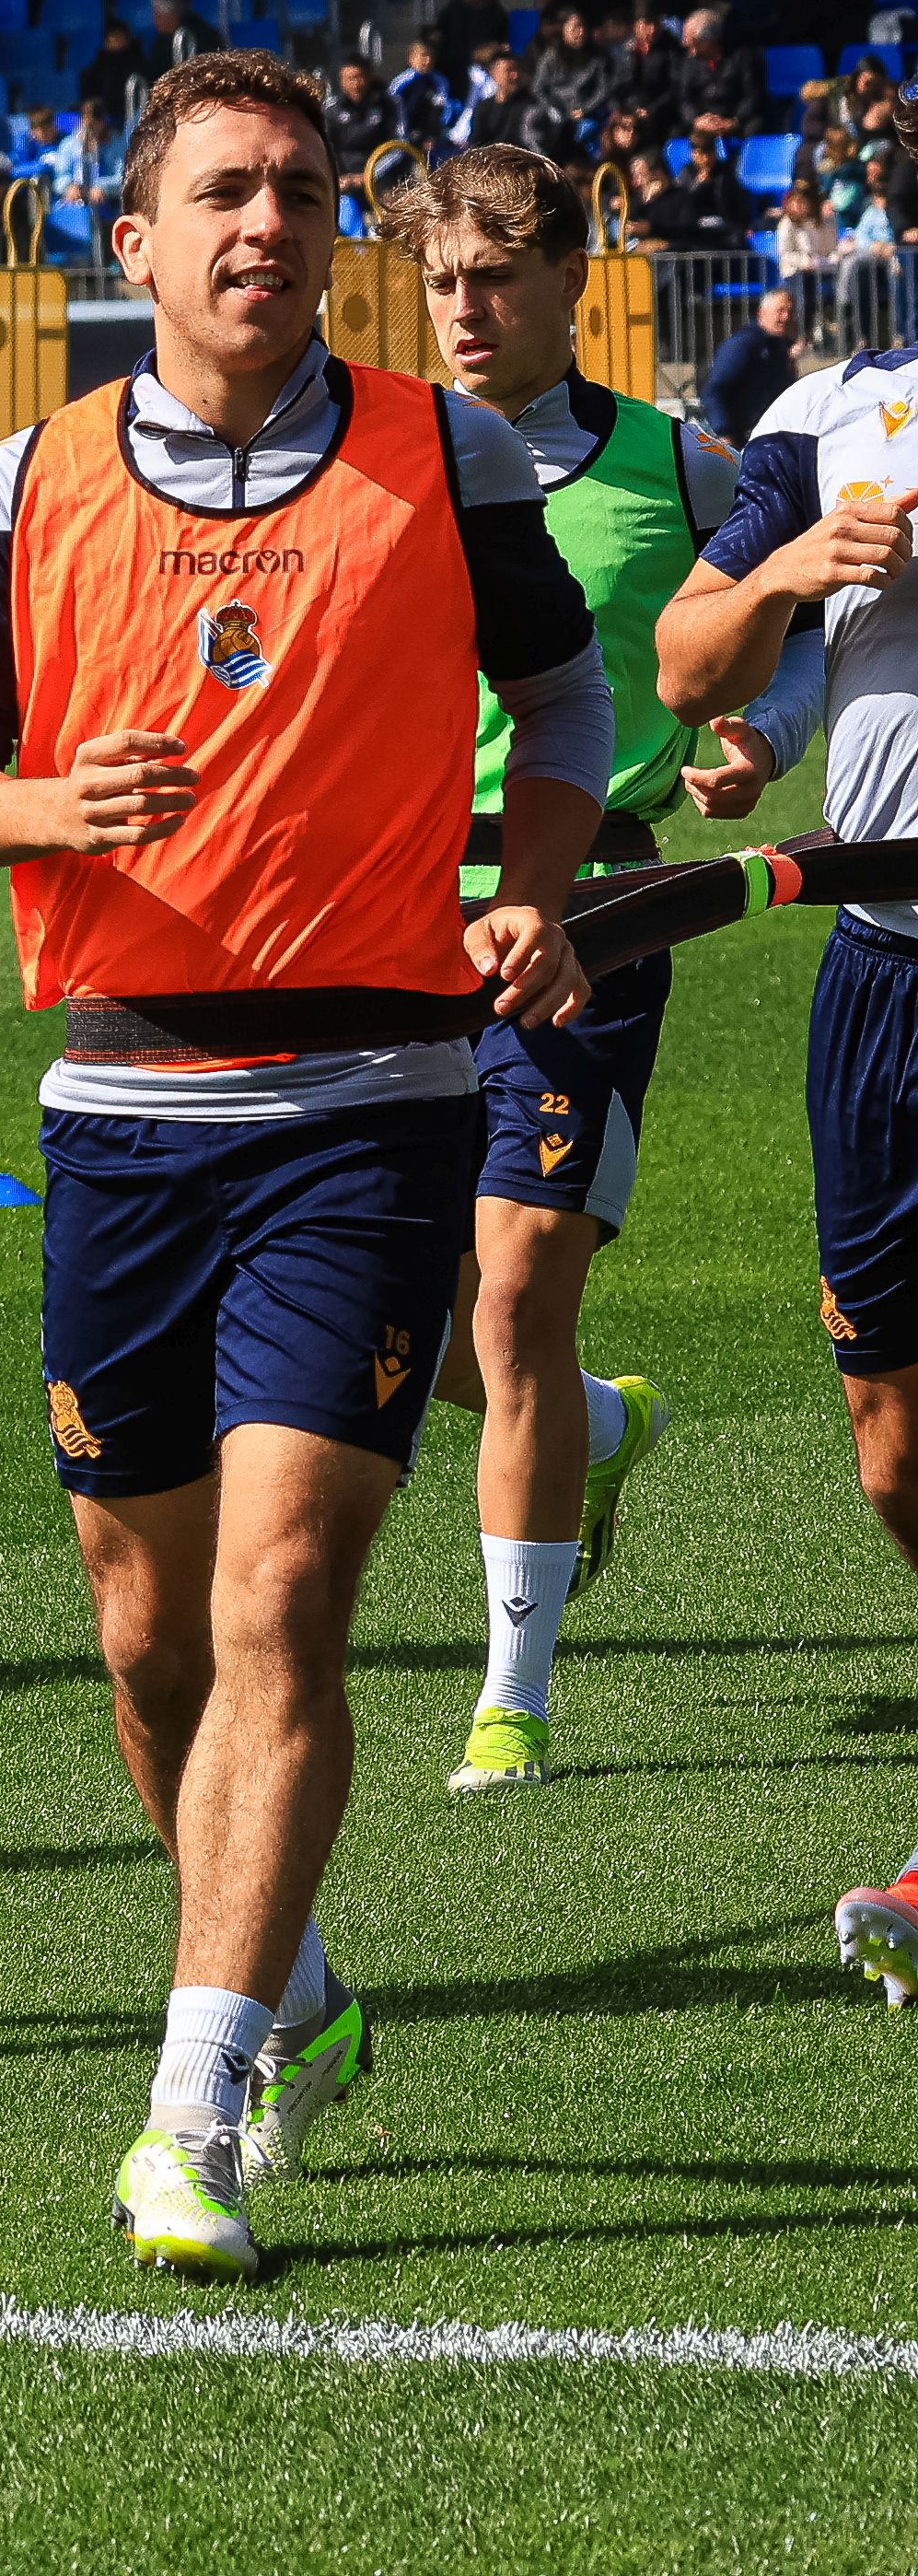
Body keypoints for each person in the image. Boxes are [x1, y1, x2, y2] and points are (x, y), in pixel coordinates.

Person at [0, 53, 609, 2283]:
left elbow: (565, 701)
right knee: (142, 1627)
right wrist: (34, 810)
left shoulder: (442, 449)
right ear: (137, 240)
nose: (267, 228)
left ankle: (189, 2104)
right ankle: (291, 1982)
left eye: (299, 194)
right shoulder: (30, 474)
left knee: (283, 1596)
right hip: (119, 1118)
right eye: (223, 193)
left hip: (376, 1109)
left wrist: (540, 882)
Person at [384, 146, 820, 1793]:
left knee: (512, 1296)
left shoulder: (685, 466)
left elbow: (796, 636)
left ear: (576, 278)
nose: (465, 312)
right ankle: (603, 1423)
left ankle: (515, 1692)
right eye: (439, 282)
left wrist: (758, 741)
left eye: (495, 277)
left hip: (595, 915)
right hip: (394, 917)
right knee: (411, 1327)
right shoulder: (377, 462)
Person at [656, 286, 918, 2002]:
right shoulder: (838, 411)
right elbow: (692, 662)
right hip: (883, 972)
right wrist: (781, 613)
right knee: (896, 1454)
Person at [705, 284, 807, 445]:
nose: (786, 317)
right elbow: (714, 390)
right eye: (780, 311)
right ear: (762, 313)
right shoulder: (744, 344)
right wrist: (724, 432)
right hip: (740, 440)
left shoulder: (780, 348)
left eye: (790, 312)